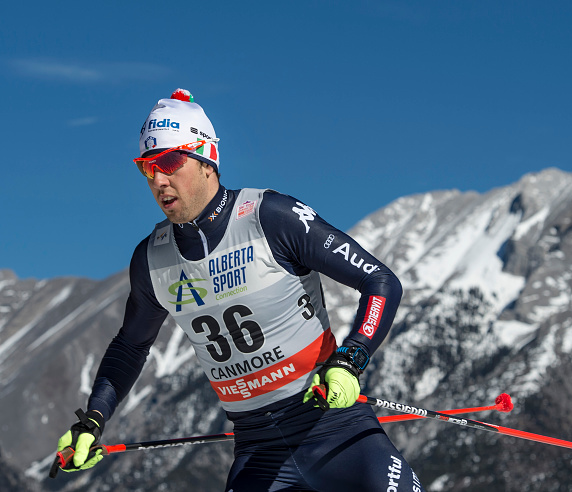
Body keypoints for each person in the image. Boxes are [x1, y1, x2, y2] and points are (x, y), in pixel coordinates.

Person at [53, 88, 425, 491]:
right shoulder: (151, 259)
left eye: (170, 162)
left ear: (207, 158)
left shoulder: (271, 217)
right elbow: (130, 347)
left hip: (335, 431)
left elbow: (380, 281)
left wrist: (352, 357)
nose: (159, 179)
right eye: (147, 167)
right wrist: (93, 420)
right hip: (257, 452)